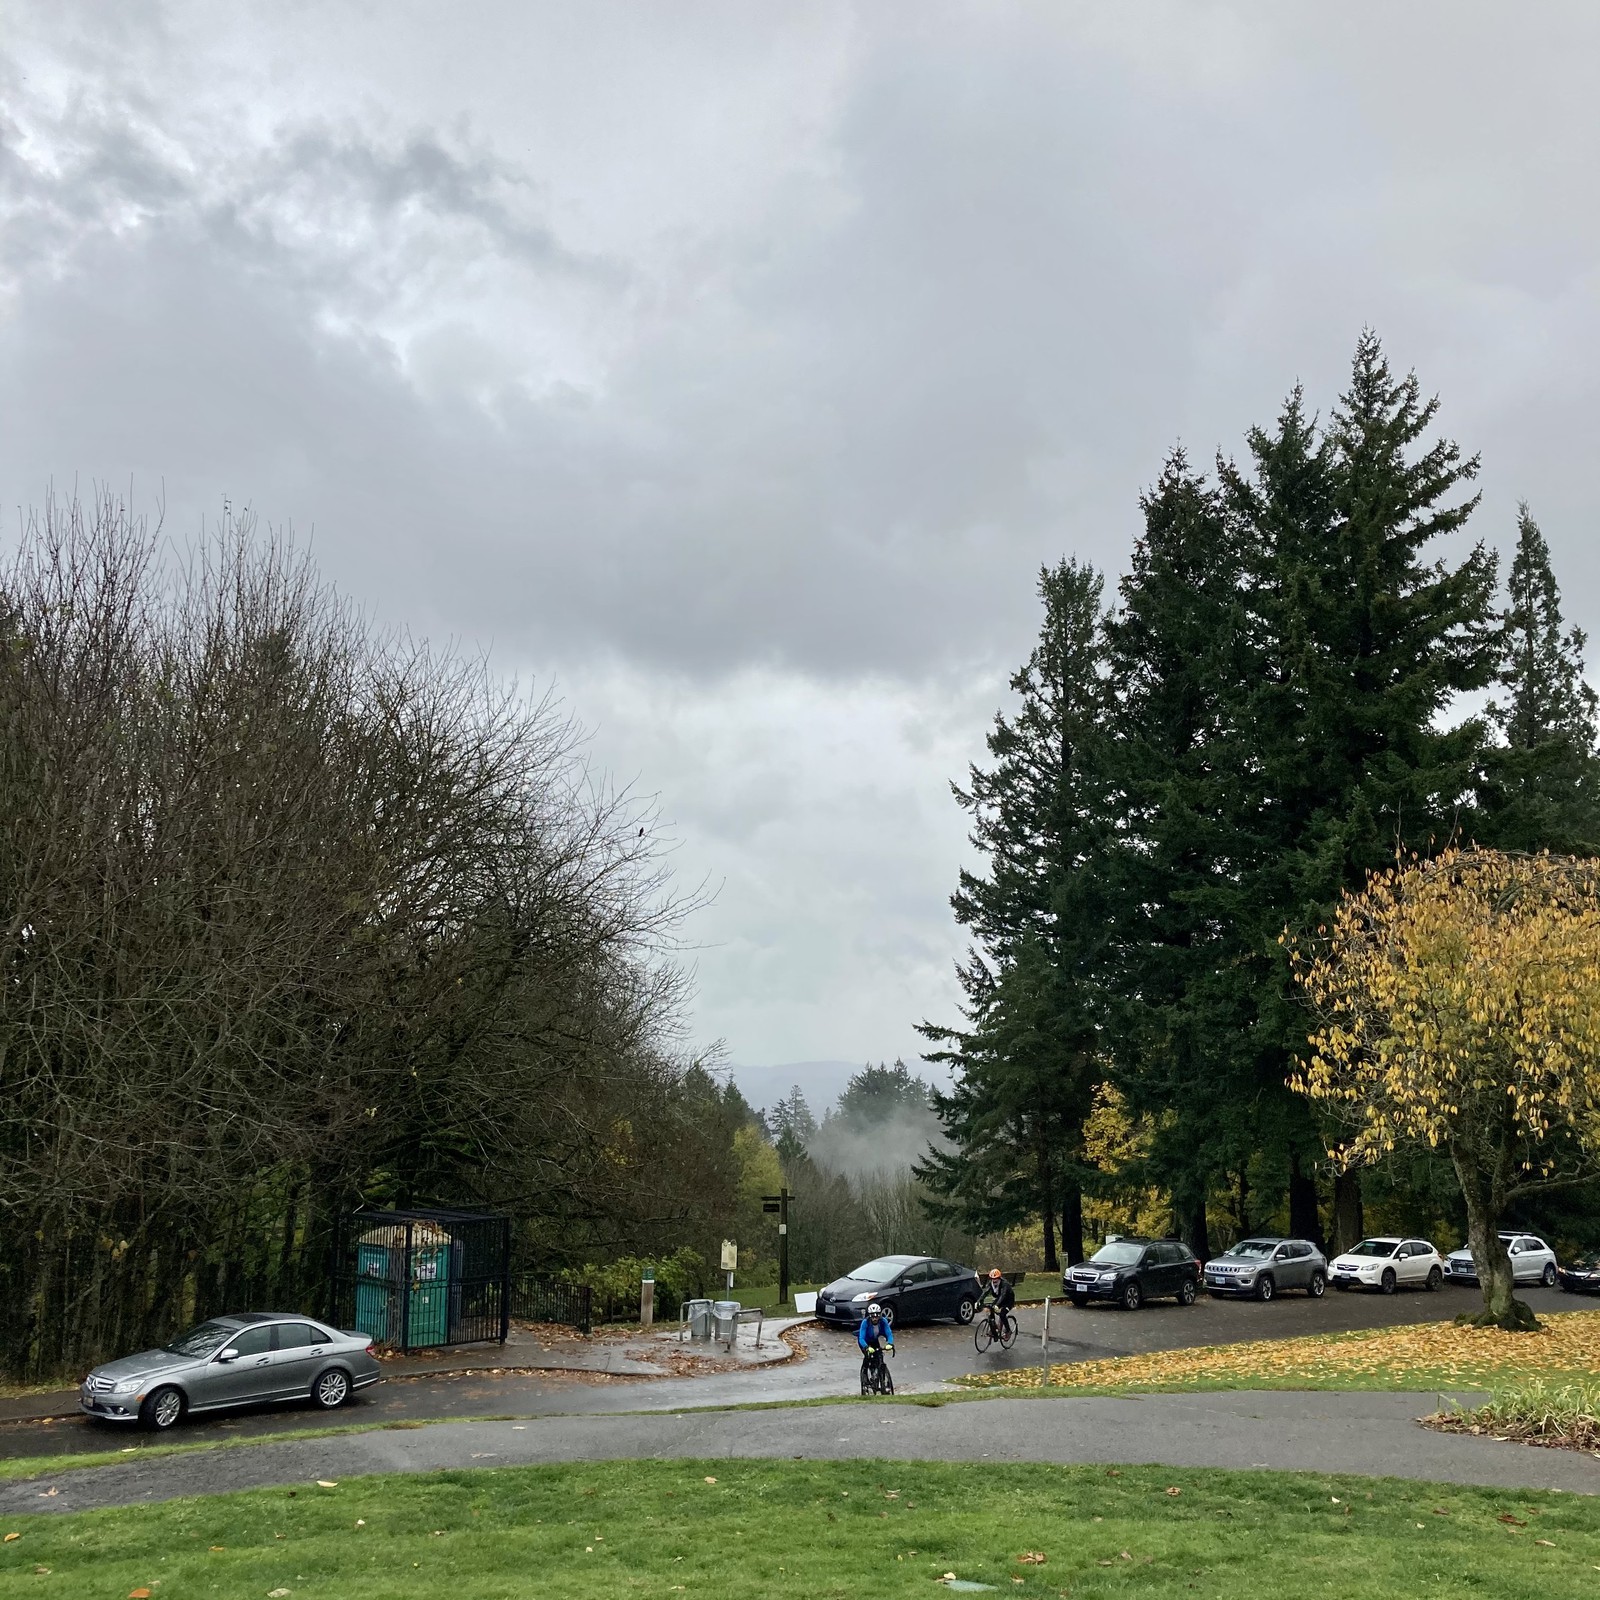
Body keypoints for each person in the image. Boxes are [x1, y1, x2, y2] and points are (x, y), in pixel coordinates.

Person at [857, 1300, 894, 1388]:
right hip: (865, 1341)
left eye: (877, 1316)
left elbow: (889, 1334)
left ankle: (880, 1376)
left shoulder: (883, 1321)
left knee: (879, 1355)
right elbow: (861, 1338)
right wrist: (866, 1347)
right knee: (869, 1355)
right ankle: (865, 1372)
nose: (875, 1319)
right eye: (873, 1317)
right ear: (870, 1316)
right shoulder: (865, 1322)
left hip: (874, 1340)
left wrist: (890, 1343)